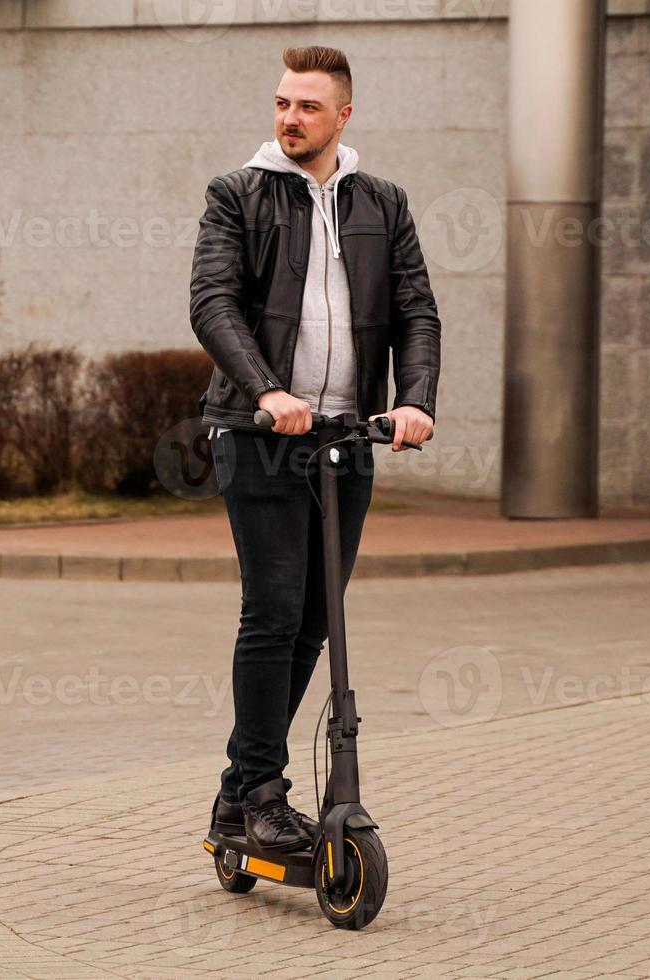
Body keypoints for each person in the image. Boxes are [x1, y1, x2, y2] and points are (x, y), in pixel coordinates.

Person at [189, 45, 442, 852]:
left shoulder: (384, 202)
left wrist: (413, 402)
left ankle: (238, 791)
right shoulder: (237, 193)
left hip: (343, 439)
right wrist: (267, 391)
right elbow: (213, 303)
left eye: (306, 106)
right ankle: (262, 791)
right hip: (258, 434)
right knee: (271, 612)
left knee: (312, 622)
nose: (290, 118)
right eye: (281, 104)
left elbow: (417, 312)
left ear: (343, 115)